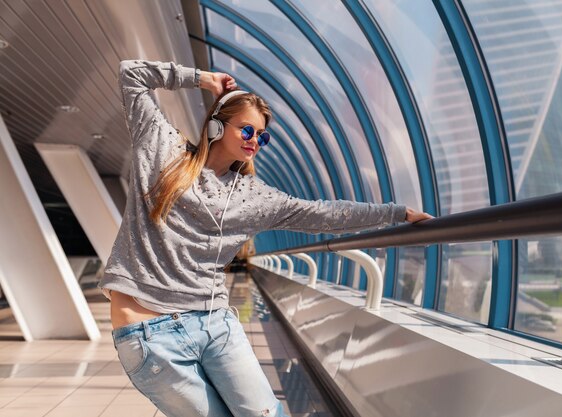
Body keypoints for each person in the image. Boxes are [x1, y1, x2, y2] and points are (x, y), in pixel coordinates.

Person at [98, 59, 432, 417]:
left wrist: (396, 213)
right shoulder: (164, 151)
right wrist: (203, 79)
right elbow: (131, 74)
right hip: (150, 333)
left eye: (261, 135)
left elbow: (326, 214)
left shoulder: (256, 198)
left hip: (214, 322)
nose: (255, 140)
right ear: (215, 126)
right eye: (246, 130)